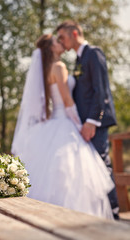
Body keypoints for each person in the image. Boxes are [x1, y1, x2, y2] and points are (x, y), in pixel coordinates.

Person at [11, 34, 114, 219]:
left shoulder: (45, 70)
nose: (61, 43)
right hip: (65, 121)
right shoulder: (59, 67)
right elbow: (67, 101)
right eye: (57, 41)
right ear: (51, 48)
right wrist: (80, 125)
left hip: (52, 123)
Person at [56, 20, 119, 219]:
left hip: (95, 123)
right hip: (83, 125)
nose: (61, 42)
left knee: (101, 165)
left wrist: (92, 121)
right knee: (91, 168)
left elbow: (102, 91)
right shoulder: (78, 59)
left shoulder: (94, 53)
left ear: (74, 34)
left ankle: (114, 212)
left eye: (62, 37)